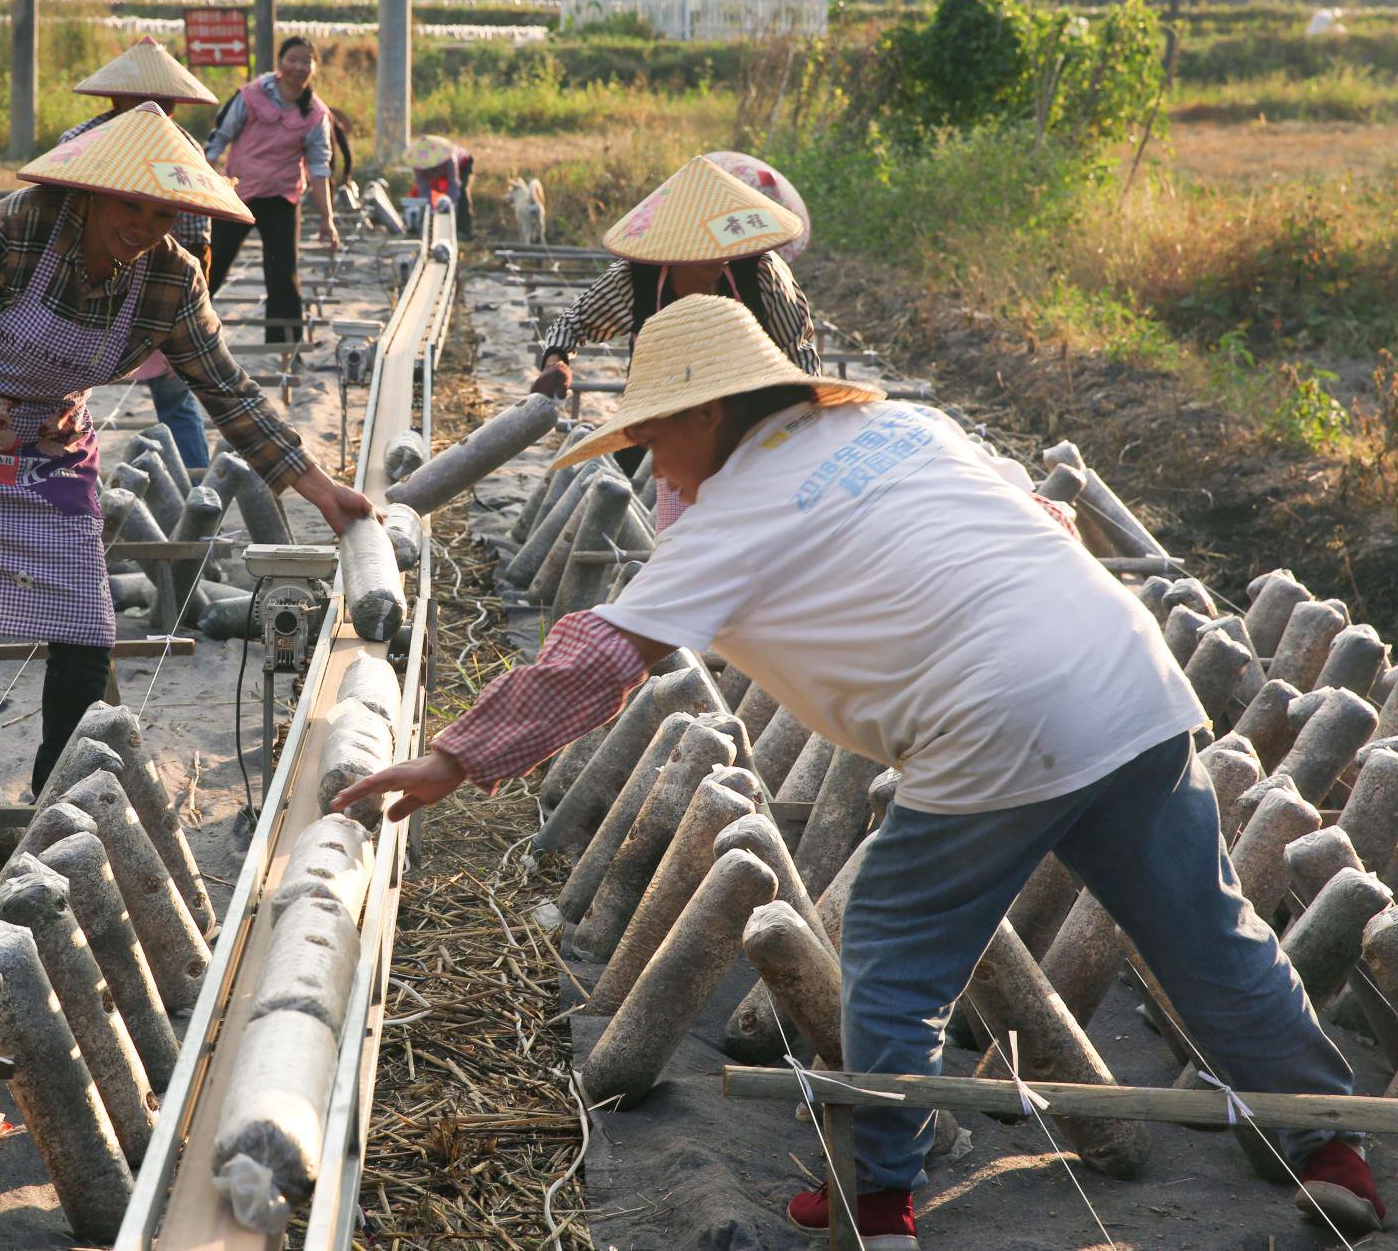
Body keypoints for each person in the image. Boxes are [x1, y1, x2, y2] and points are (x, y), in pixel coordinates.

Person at [336, 294, 1385, 1248]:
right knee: (1207, 935)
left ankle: (875, 1202)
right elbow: (1045, 519)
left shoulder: (737, 510)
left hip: (991, 710)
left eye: (653, 438)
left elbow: (601, 656)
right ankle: (1334, 1150)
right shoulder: (900, 427)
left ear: (710, 413)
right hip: (1125, 672)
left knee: (890, 947)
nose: (653, 469)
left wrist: (450, 758)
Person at [0, 104, 372, 788]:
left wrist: (319, 488)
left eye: (163, 216)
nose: (144, 228)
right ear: (94, 190)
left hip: (45, 449)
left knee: (84, 622)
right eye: (131, 207)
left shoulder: (169, 279)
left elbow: (229, 389)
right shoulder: (14, 229)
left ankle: (50, 804)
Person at [536, 154, 817, 496]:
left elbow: (797, 352)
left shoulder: (758, 272)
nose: (717, 260)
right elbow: (574, 322)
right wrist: (556, 361)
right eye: (703, 252)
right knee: (664, 501)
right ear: (676, 245)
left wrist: (805, 427)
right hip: (666, 419)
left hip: (749, 417)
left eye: (723, 249)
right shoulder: (636, 280)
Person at [62, 36, 221, 470]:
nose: (153, 111)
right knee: (56, 395)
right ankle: (63, 482)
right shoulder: (79, 141)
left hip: (155, 287)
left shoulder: (184, 149)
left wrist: (192, 302)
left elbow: (196, 237)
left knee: (175, 391)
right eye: (141, 101)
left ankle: (193, 482)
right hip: (80, 282)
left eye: (161, 103)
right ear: (116, 98)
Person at [204, 36, 340, 347]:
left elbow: (320, 168)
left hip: (282, 199)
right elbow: (218, 139)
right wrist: (206, 183)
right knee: (212, 264)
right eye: (292, 59)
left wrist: (327, 219)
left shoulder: (315, 114)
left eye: (306, 61)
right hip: (237, 194)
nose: (298, 67)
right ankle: (184, 333)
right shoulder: (251, 96)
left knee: (283, 276)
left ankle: (285, 346)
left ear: (314, 67)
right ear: (280, 63)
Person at [406, 135, 474, 239]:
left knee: (462, 193)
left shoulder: (450, 159)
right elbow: (424, 190)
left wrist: (449, 206)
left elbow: (453, 185)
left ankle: (464, 229)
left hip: (463, 165)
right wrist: (430, 212)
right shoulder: (419, 165)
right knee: (426, 201)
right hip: (443, 170)